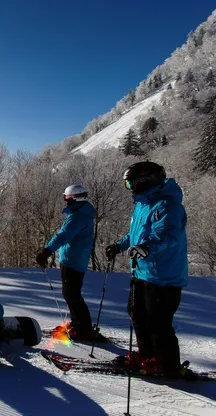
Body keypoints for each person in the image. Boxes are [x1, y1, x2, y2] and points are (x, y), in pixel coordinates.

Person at [105, 161, 188, 377]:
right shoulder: (143, 204)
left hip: (163, 275)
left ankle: (167, 365)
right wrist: (120, 245)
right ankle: (147, 355)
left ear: (146, 181)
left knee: (158, 323)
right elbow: (136, 234)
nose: (130, 188)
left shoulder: (167, 204)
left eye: (131, 183)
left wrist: (146, 248)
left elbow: (167, 234)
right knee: (138, 315)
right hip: (142, 271)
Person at [35, 185, 97, 341]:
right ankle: (79, 324)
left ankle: (83, 328)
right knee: (71, 293)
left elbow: (63, 235)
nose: (66, 201)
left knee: (71, 294)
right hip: (76, 258)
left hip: (73, 260)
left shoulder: (77, 217)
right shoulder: (81, 213)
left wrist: (47, 251)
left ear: (75, 198)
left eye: (67, 198)